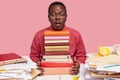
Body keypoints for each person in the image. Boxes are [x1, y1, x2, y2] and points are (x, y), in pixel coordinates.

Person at [30, 1, 86, 75]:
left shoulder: (76, 34)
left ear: (66, 17)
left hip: (70, 72)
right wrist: (37, 63)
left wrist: (78, 64)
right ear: (48, 18)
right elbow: (33, 55)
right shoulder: (39, 35)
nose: (57, 18)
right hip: (46, 72)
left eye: (61, 14)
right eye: (53, 15)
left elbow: (81, 55)